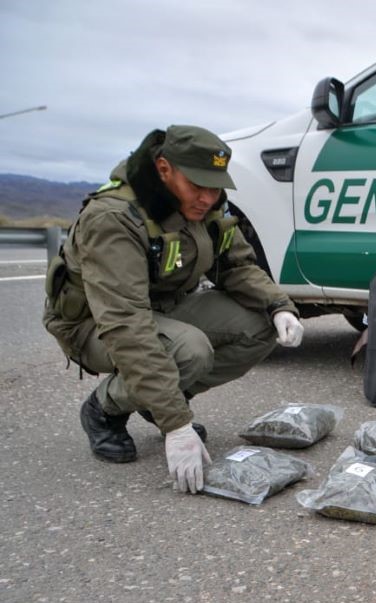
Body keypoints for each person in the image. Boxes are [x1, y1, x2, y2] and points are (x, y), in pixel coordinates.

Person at [43, 125, 304, 494]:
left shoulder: (210, 207)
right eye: (197, 185)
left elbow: (238, 266)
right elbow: (125, 324)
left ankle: (160, 398)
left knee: (260, 323)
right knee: (188, 350)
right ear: (164, 169)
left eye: (215, 186)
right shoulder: (114, 218)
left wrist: (279, 306)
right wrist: (177, 425)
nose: (207, 197)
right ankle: (104, 409)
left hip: (163, 311)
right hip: (92, 326)